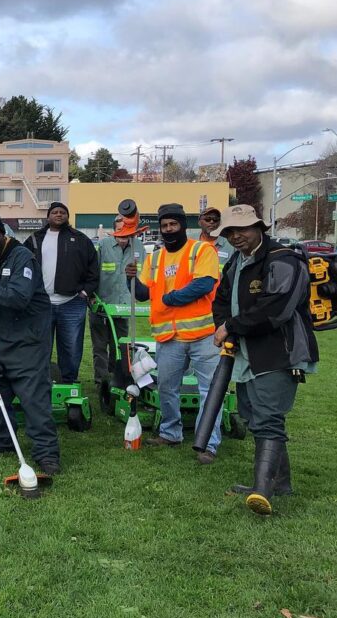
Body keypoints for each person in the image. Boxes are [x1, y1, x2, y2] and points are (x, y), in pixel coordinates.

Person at [212, 205, 317, 515]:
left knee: (269, 416)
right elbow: (221, 298)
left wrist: (231, 326)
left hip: (278, 351)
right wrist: (224, 326)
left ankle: (263, 488)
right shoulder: (235, 262)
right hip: (245, 352)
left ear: (260, 227)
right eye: (230, 232)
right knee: (253, 415)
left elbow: (276, 309)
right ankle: (278, 482)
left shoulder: (284, 261)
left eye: (242, 229)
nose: (235, 236)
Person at [0, 211, 60, 476]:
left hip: (27, 343)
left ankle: (46, 453)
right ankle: (3, 441)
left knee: (34, 400)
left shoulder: (22, 258)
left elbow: (18, 297)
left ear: (3, 234)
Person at [126, 203, 222, 463]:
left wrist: (171, 298)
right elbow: (143, 294)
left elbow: (204, 284)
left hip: (204, 335)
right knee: (167, 388)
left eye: (173, 224)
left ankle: (208, 444)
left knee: (209, 391)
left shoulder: (202, 250)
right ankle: (171, 432)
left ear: (183, 225)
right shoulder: (154, 258)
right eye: (164, 225)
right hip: (169, 337)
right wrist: (130, 278)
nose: (169, 229)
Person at [24, 201, 99, 384]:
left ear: (67, 216)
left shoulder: (81, 239)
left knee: (71, 348)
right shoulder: (34, 239)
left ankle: (69, 382)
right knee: (40, 346)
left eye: (63, 212)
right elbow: (22, 266)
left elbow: (93, 270)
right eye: (55, 212)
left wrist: (84, 293)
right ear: (48, 216)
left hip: (72, 303)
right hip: (41, 304)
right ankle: (39, 382)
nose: (59, 215)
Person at [89, 213, 146, 386]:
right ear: (114, 231)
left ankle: (116, 378)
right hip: (101, 304)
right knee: (99, 346)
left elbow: (143, 275)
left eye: (128, 230)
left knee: (120, 345)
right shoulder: (103, 246)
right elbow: (92, 273)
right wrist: (92, 297)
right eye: (120, 230)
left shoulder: (139, 248)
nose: (124, 235)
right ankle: (101, 380)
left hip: (124, 306)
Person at [198, 207, 235, 271]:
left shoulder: (231, 245)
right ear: (199, 222)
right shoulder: (188, 240)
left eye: (215, 219)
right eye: (207, 219)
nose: (212, 222)